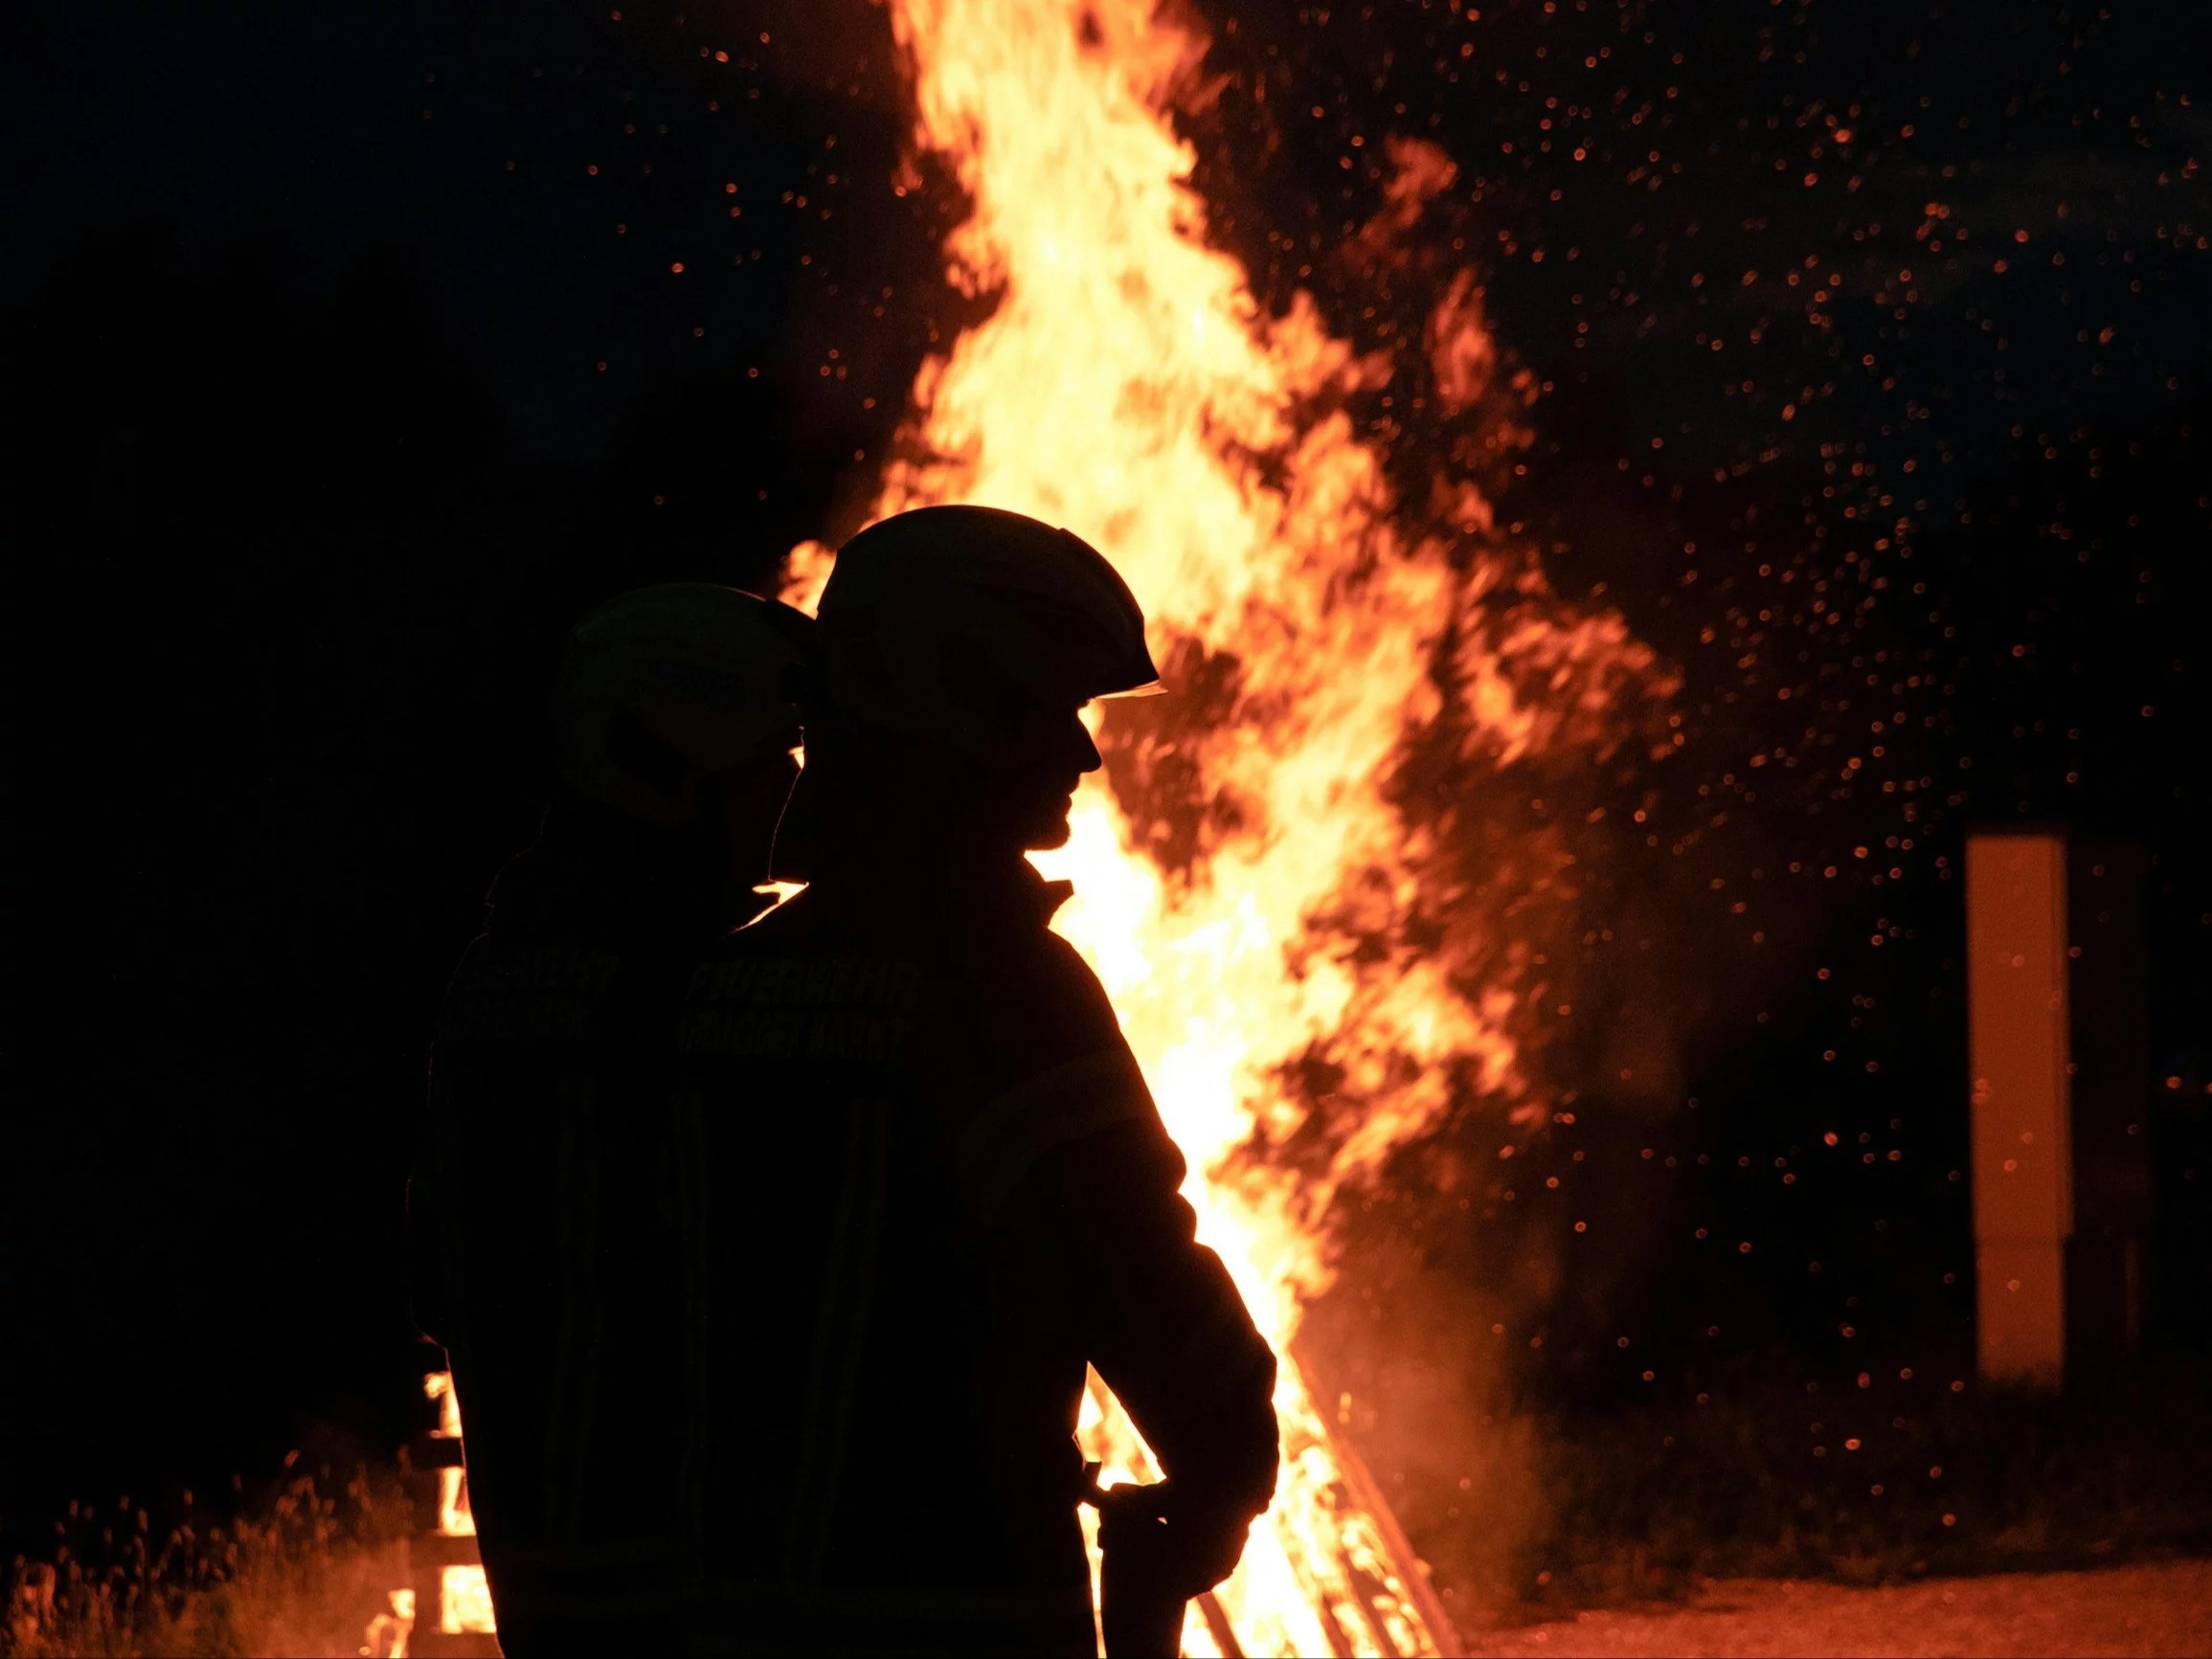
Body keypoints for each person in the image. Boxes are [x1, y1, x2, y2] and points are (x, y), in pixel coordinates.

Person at [674, 506, 1279, 1657]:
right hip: (958, 1608)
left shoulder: (718, 984)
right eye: (1052, 708)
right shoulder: (1005, 992)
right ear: (957, 703)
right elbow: (1144, 1280)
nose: (1083, 752)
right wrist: (1225, 1467)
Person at [409, 584, 814, 1657]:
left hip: (551, 1558)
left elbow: (434, 1270)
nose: (792, 785)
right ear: (666, 761)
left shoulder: (507, 968)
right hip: (671, 1569)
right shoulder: (677, 987)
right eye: (770, 755)